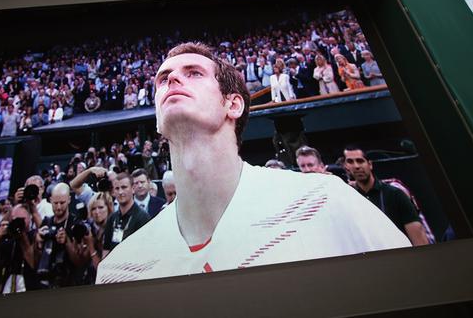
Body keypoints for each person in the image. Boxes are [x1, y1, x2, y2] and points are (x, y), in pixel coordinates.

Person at [97, 42, 409, 284]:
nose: (172, 79)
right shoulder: (119, 268)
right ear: (157, 121)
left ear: (232, 104)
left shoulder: (325, 198)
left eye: (193, 73)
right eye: (163, 79)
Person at [343, 146, 429, 246]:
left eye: (360, 161)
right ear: (346, 166)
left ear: (370, 164)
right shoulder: (349, 198)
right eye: (350, 161)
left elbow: (418, 235)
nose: (356, 166)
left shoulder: (394, 194)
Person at [35, 183, 88, 287]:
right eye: (55, 203)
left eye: (62, 203)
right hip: (44, 281)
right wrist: (38, 242)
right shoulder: (46, 222)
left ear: (69, 199)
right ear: (50, 200)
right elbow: (35, 261)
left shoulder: (76, 224)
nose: (58, 207)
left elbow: (79, 262)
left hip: (68, 282)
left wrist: (67, 242)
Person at [101, 173, 151, 257]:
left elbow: (146, 251)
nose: (120, 192)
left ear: (133, 189)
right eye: (117, 188)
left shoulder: (143, 218)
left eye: (124, 187)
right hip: (113, 267)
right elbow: (106, 249)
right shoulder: (112, 218)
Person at [0, 204, 38, 294]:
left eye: (22, 219)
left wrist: (23, 238)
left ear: (29, 218)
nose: (18, 223)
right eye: (15, 219)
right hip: (8, 284)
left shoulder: (34, 236)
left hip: (29, 286)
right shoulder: (7, 239)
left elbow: (33, 264)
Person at [82, 192, 114, 283]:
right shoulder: (89, 228)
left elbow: (102, 270)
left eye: (100, 208)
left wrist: (91, 246)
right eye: (93, 209)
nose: (97, 212)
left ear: (109, 208)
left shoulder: (113, 229)